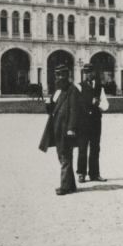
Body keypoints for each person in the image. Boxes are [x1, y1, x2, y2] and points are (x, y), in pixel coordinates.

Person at [39, 64, 81, 196]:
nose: (59, 77)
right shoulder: (57, 91)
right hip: (56, 128)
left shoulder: (72, 90)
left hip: (66, 128)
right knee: (61, 156)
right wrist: (47, 105)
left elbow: (74, 110)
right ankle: (71, 184)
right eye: (57, 74)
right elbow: (52, 111)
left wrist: (71, 128)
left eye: (62, 74)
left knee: (65, 156)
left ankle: (64, 186)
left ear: (67, 75)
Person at [76, 63, 107, 183]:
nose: (88, 74)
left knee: (95, 147)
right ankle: (81, 173)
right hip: (83, 122)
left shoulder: (99, 88)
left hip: (95, 122)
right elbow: (76, 104)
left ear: (94, 72)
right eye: (86, 72)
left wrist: (98, 104)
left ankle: (94, 174)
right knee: (82, 148)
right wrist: (89, 102)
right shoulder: (79, 87)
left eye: (90, 72)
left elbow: (106, 105)